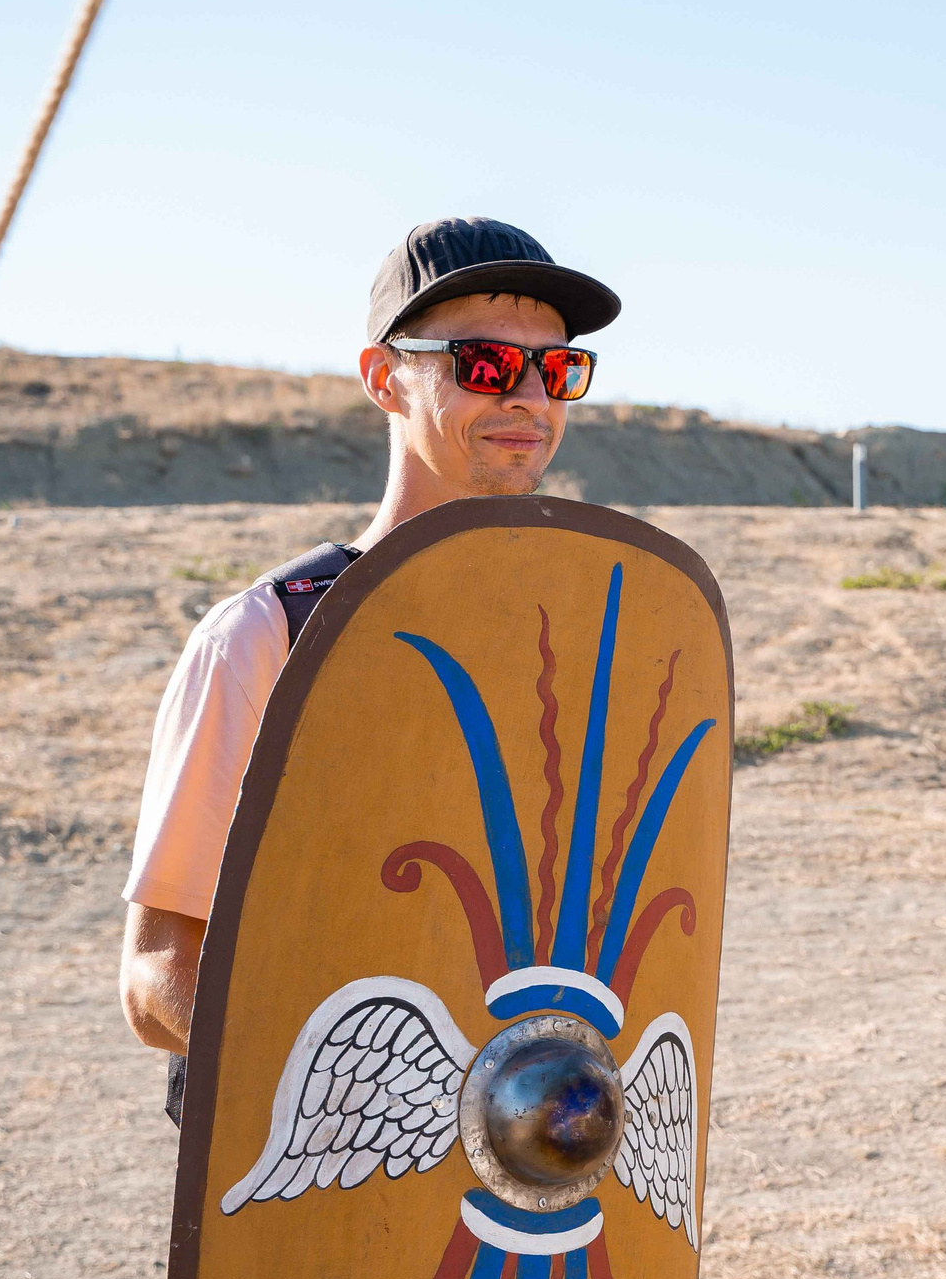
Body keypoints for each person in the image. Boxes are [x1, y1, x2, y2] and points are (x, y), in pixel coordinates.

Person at [117, 218, 620, 1087]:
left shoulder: (575, 645)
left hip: (537, 1178)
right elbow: (156, 978)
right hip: (326, 1178)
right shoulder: (269, 637)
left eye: (558, 368)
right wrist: (357, 1085)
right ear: (386, 379)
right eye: (486, 365)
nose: (530, 398)